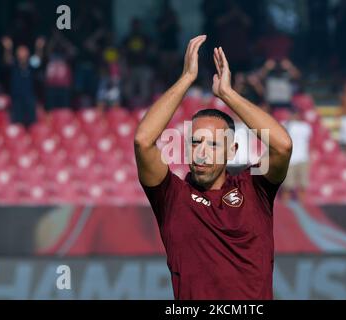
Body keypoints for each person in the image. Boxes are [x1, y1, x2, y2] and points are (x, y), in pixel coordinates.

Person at [134, 35, 292, 300]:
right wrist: (186, 79)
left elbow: (282, 146)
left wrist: (228, 94)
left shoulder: (255, 188)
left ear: (232, 150)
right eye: (195, 142)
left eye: (214, 144)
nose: (202, 152)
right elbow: (143, 141)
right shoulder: (172, 196)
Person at [1, 36, 45, 128]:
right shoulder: (14, 64)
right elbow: (7, 60)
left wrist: (39, 48)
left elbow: (38, 61)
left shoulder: (31, 64)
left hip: (30, 98)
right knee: (17, 124)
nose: (22, 53)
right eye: (20, 51)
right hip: (16, 99)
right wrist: (8, 49)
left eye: (24, 51)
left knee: (31, 124)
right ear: (17, 53)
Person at [281, 111, 312, 202]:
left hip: (303, 158)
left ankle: (302, 206)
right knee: (287, 186)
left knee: (303, 185)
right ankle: (285, 206)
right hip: (289, 159)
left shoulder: (305, 126)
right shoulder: (284, 124)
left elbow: (309, 141)